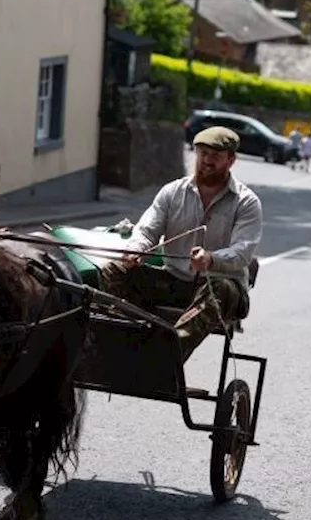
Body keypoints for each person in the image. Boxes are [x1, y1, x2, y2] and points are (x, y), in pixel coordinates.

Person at [100, 126, 264, 362]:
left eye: (215, 157)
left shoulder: (246, 202)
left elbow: (243, 252)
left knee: (218, 289)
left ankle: (165, 357)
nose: (207, 161)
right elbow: (146, 230)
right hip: (174, 282)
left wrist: (211, 259)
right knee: (114, 270)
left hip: (220, 288)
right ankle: (119, 342)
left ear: (231, 160)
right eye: (202, 154)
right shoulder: (172, 192)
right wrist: (137, 250)